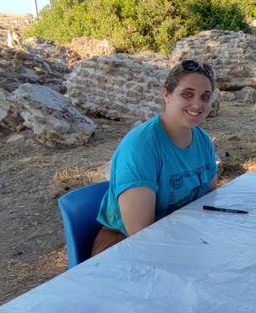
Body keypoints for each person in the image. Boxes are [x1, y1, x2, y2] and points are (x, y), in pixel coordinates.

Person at [91, 60, 219, 256]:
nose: (197, 104)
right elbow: (140, 232)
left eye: (205, 97)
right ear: (167, 94)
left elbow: (209, 200)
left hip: (181, 236)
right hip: (124, 247)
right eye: (187, 94)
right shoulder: (142, 146)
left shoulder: (202, 140)